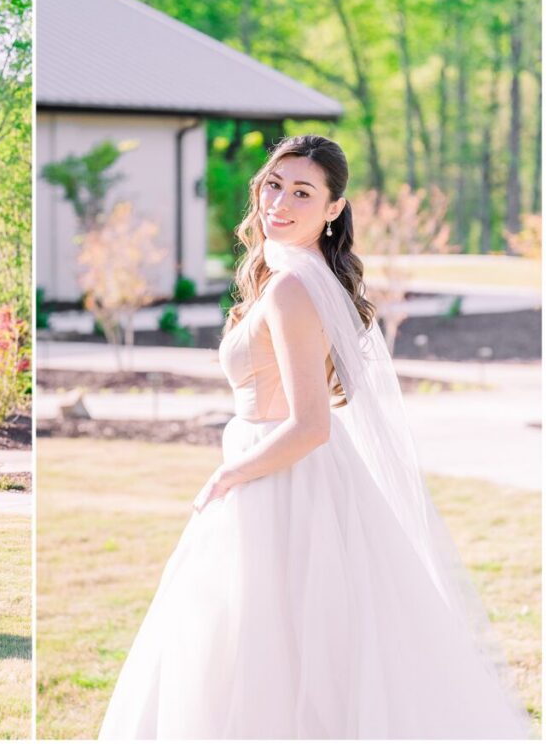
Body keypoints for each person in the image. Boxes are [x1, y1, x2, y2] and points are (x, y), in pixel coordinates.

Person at [98, 135, 531, 738]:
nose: (280, 201)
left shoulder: (292, 289)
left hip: (282, 481)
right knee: (258, 638)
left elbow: (311, 425)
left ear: (332, 209)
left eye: (303, 192)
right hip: (272, 471)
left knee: (276, 641)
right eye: (274, 184)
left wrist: (229, 473)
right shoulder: (284, 275)